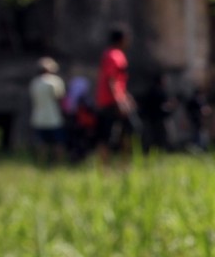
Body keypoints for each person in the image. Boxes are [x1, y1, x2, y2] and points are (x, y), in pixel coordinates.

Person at [95, 26, 135, 165]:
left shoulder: (110, 54)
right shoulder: (114, 55)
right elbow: (111, 80)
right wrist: (119, 101)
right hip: (111, 101)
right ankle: (116, 165)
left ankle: (116, 165)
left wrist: (126, 96)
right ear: (122, 39)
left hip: (110, 100)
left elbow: (118, 81)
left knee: (119, 132)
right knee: (126, 130)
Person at [29, 57, 66, 166]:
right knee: (58, 143)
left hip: (38, 117)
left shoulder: (34, 82)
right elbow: (60, 98)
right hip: (54, 118)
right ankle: (57, 164)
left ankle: (41, 163)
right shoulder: (55, 81)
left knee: (41, 144)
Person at [62, 75, 95, 162]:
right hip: (83, 125)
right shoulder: (85, 98)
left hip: (73, 124)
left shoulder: (68, 98)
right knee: (83, 144)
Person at [139, 73, 175, 153]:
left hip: (150, 118)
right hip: (158, 118)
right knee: (160, 136)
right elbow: (164, 106)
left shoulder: (150, 90)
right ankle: (160, 150)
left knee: (152, 136)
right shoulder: (160, 91)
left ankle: (151, 150)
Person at [183, 86, 211, 152]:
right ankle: (197, 148)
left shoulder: (191, 100)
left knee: (196, 134)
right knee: (197, 135)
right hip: (197, 120)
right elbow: (205, 111)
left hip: (193, 120)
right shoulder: (198, 101)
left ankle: (194, 147)